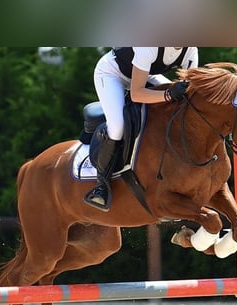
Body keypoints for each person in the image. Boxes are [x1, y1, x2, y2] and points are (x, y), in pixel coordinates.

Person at [84, 47, 199, 212]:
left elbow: (190, 89)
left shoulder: (191, 50)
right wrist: (167, 95)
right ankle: (101, 184)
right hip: (112, 74)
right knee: (117, 127)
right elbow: (136, 94)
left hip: (146, 74)